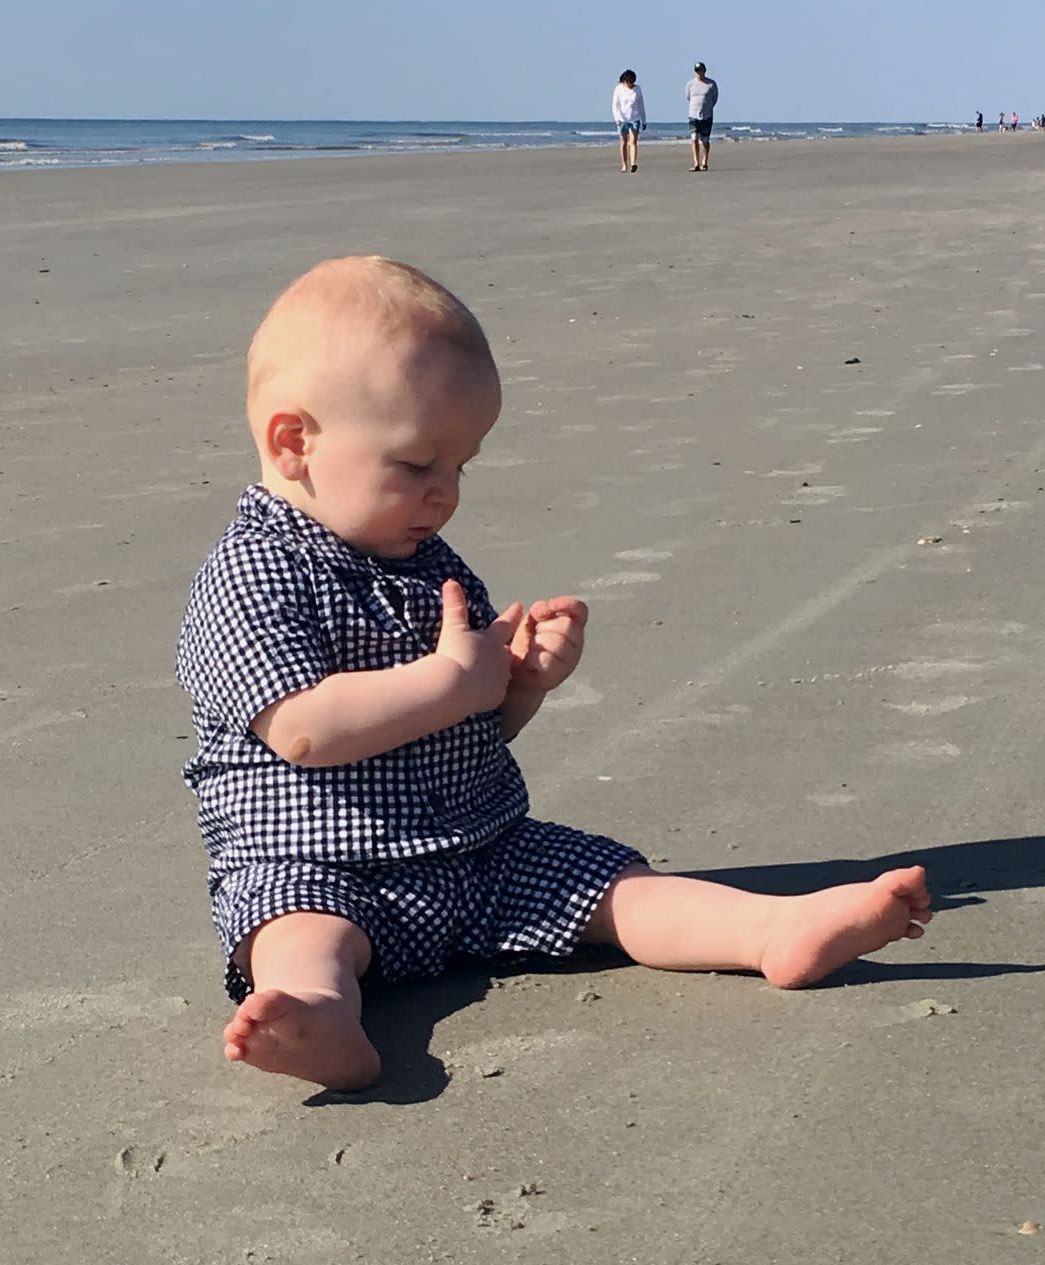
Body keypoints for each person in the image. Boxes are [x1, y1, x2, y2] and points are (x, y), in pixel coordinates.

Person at [177, 255, 934, 1091]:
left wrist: (518, 686)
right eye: (418, 465)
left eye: (463, 466)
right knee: (299, 935)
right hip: (322, 865)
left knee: (620, 889)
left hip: (482, 852)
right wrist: (454, 683)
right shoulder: (252, 574)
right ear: (295, 443)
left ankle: (772, 930)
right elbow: (305, 729)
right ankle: (317, 1015)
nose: (446, 494)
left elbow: (471, 729)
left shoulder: (429, 565)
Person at [685, 61, 719, 170]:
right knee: (694, 138)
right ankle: (696, 163)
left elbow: (714, 99)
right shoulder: (690, 84)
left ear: (704, 71)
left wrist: (708, 107)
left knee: (705, 140)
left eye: (700, 70)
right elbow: (688, 97)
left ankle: (705, 161)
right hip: (693, 115)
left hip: (706, 115)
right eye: (697, 71)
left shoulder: (711, 84)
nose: (699, 73)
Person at [611, 69, 646, 172]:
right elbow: (615, 105)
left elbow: (641, 105)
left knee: (633, 141)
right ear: (625, 80)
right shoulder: (618, 89)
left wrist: (644, 120)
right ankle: (624, 164)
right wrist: (617, 118)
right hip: (622, 120)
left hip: (635, 118)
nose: (630, 84)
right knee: (623, 142)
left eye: (632, 81)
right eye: (629, 81)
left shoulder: (637, 89)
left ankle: (633, 163)